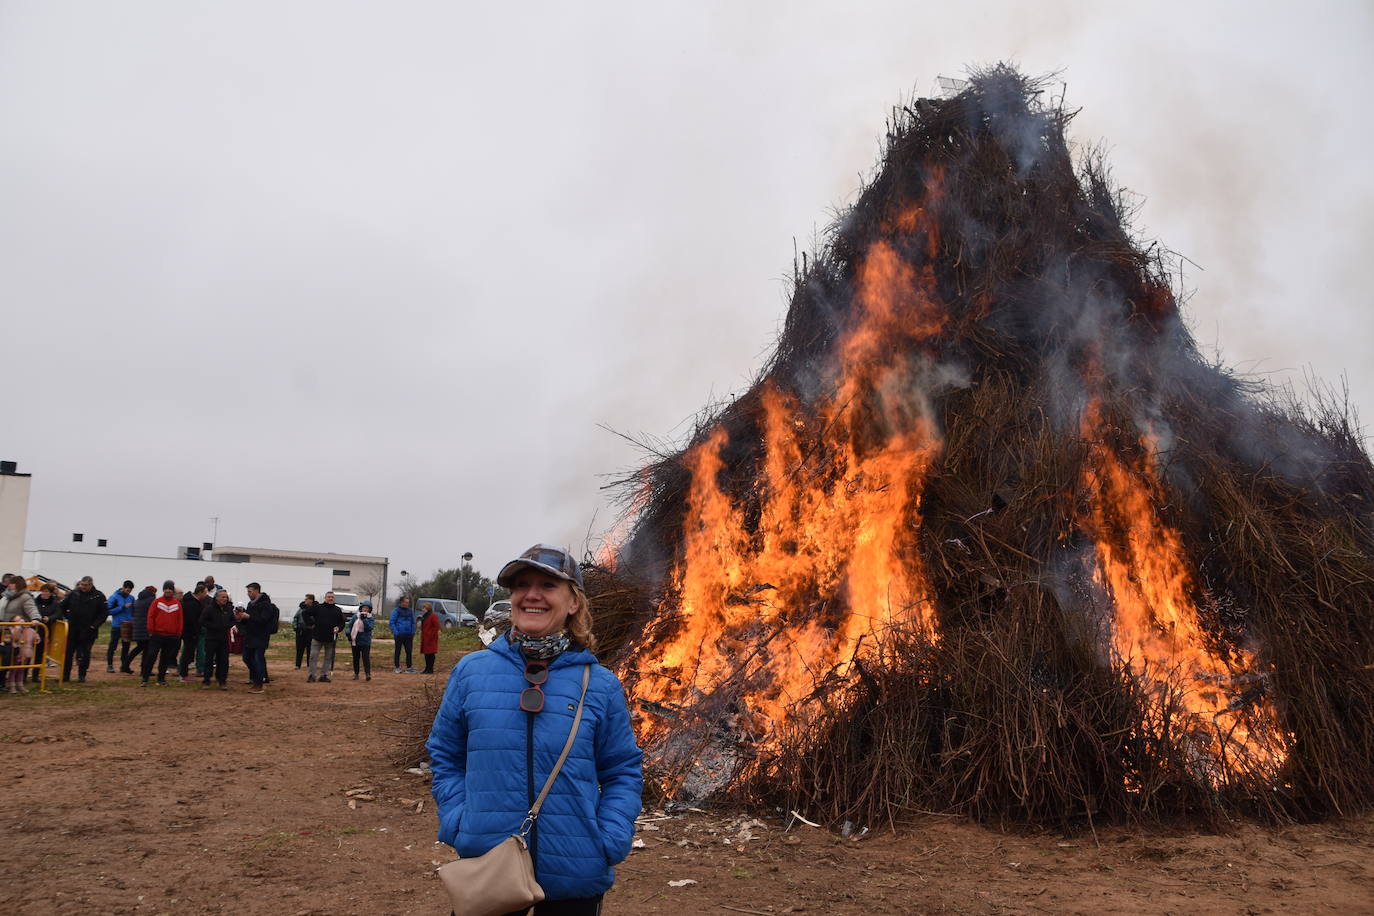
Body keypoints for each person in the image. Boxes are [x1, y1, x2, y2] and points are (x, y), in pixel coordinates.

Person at [427, 544, 643, 915]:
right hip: (489, 862)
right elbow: (445, 755)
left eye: (547, 585)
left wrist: (609, 839)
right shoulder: (471, 673)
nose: (532, 595)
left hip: (575, 866)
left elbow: (622, 770)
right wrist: (459, 820)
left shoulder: (600, 685)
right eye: (521, 585)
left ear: (573, 602)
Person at [60, 576, 108, 683]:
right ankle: (65, 675)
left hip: (89, 631)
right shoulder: (74, 594)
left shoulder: (98, 596)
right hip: (73, 630)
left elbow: (104, 613)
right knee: (68, 653)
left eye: (85, 585)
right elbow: (62, 606)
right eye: (81, 584)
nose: (82, 587)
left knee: (84, 654)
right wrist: (66, 619)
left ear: (91, 585)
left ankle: (82, 675)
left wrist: (94, 626)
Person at [141, 580, 182, 687]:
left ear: (173, 591)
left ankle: (161, 679)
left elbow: (180, 619)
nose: (168, 590)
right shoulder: (157, 602)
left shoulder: (177, 604)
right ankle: (145, 678)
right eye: (166, 588)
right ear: (163, 590)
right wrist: (151, 630)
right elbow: (151, 616)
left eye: (170, 589)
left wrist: (178, 633)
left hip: (171, 636)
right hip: (157, 635)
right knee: (151, 656)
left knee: (165, 658)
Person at [236, 582, 274, 693]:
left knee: (258, 659)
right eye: (248, 591)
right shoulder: (250, 604)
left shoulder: (266, 604)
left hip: (261, 636)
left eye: (250, 591)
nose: (248, 594)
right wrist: (241, 617)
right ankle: (256, 678)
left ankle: (259, 684)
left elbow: (264, 620)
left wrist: (249, 616)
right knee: (246, 658)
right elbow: (248, 620)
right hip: (250, 636)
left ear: (257, 591)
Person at [200, 589, 235, 690]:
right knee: (209, 660)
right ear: (216, 598)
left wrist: (227, 625)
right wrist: (213, 626)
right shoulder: (209, 608)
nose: (225, 599)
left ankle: (222, 681)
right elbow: (202, 621)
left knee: (223, 660)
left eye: (226, 597)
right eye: (223, 597)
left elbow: (233, 620)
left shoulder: (229, 609)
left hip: (223, 638)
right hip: (211, 638)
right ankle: (206, 680)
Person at [308, 591, 344, 683]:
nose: (330, 598)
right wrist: (311, 624)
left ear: (334, 598)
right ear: (325, 598)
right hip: (317, 637)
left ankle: (323, 675)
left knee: (328, 658)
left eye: (332, 597)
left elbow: (342, 622)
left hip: (330, 639)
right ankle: (312, 675)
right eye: (329, 597)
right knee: (313, 656)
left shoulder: (337, 610)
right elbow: (305, 613)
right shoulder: (318, 607)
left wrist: (338, 628)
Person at [177, 582, 206, 681]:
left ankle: (183, 672)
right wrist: (195, 632)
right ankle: (183, 674)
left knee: (188, 653)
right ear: (200, 592)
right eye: (205, 593)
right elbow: (191, 620)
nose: (205, 595)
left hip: (191, 632)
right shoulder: (191, 603)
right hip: (190, 633)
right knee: (187, 654)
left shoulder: (193, 602)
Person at [105, 581, 135, 673]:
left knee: (126, 647)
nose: (128, 592)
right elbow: (108, 611)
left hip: (128, 625)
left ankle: (124, 666)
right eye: (127, 590)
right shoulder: (114, 597)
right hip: (117, 626)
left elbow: (133, 611)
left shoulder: (131, 598)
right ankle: (110, 665)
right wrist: (122, 607)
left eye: (130, 590)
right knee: (113, 646)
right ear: (123, 587)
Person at [33, 583, 61, 675]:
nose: (44, 593)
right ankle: (23, 674)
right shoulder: (35, 601)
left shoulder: (55, 603)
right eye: (42, 591)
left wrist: (50, 618)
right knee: (28, 652)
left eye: (46, 591)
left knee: (39, 653)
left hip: (45, 630)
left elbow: (58, 613)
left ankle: (36, 674)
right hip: (34, 629)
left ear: (51, 593)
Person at [126, 585, 155, 674]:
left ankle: (126, 665)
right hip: (146, 629)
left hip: (137, 629)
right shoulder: (152, 600)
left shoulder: (137, 601)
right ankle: (143, 670)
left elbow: (133, 614)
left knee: (140, 647)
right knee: (146, 650)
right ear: (152, 592)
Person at [7, 609, 36, 694]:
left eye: (21, 619)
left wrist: (36, 638)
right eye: (18, 620)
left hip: (26, 652)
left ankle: (20, 684)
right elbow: (15, 638)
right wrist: (18, 628)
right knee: (14, 669)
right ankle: (11, 685)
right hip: (16, 652)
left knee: (22, 669)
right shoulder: (12, 629)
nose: (21, 621)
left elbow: (35, 636)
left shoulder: (29, 630)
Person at [389, 595, 416, 673]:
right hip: (399, 635)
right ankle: (397, 667)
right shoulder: (396, 611)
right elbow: (392, 622)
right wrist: (396, 632)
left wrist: (413, 632)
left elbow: (413, 622)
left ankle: (409, 667)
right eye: (406, 602)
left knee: (409, 651)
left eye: (408, 602)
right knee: (398, 651)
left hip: (409, 635)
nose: (407, 604)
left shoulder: (410, 611)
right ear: (401, 602)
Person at [349, 600, 375, 681]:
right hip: (355, 640)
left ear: (370, 610)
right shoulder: (355, 617)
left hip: (365, 641)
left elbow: (369, 628)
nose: (365, 609)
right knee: (356, 658)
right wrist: (348, 633)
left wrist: (364, 620)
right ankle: (356, 674)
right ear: (361, 608)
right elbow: (350, 626)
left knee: (366, 658)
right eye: (364, 608)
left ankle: (367, 674)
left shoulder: (371, 618)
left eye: (367, 608)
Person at [292, 594, 317, 668]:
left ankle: (310, 665)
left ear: (311, 600)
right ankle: (297, 665)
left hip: (311, 631)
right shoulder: (301, 608)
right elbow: (295, 618)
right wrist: (295, 627)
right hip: (300, 631)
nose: (305, 600)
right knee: (299, 648)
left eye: (306, 599)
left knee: (310, 649)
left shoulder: (315, 609)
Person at [419, 601, 440, 674]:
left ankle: (430, 669)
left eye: (424, 608)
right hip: (425, 637)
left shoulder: (433, 616)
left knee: (431, 653)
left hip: (431, 638)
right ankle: (427, 668)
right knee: (426, 653)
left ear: (427, 608)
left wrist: (431, 634)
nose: (422, 609)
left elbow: (436, 626)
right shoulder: (425, 616)